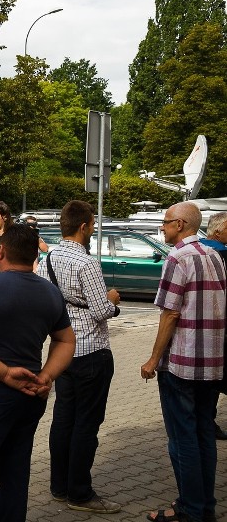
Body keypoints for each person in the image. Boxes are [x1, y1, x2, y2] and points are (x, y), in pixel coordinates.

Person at [0, 223, 75, 522]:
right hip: (31, 395)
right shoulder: (50, 292)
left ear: (1, 251)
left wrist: (5, 374)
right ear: (34, 256)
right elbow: (66, 340)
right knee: (15, 474)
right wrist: (46, 376)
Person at [140, 201, 227, 522]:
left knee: (182, 438)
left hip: (182, 365)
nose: (162, 227)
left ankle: (190, 509)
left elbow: (170, 313)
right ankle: (205, 507)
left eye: (165, 222)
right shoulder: (215, 257)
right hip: (212, 363)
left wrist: (152, 359)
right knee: (204, 433)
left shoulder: (177, 258)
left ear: (180, 225)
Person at [36, 200, 122, 513]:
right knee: (87, 424)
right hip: (91, 351)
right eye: (93, 224)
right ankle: (80, 493)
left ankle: (59, 486)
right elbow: (101, 310)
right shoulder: (87, 262)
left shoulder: (49, 257)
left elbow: (47, 302)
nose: (94, 228)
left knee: (63, 420)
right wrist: (112, 300)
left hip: (62, 351)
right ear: (83, 226)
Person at [200, 211, 227, 440]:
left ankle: (206, 421)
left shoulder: (201, 250)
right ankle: (207, 422)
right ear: (218, 230)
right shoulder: (219, 254)